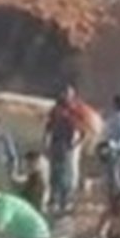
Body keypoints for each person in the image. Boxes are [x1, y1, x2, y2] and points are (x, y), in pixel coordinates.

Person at [43, 86, 89, 214]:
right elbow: (48, 127)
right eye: (64, 93)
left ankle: (65, 200)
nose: (64, 96)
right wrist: (45, 143)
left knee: (66, 173)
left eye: (67, 94)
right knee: (54, 173)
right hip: (56, 144)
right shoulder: (55, 110)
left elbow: (83, 131)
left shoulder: (75, 111)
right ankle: (54, 199)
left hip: (66, 145)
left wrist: (75, 144)